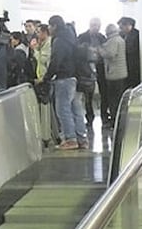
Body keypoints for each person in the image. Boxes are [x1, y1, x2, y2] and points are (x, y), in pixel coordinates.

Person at [41, 15, 87, 150]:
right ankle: (81, 139)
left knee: (63, 109)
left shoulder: (59, 40)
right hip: (74, 77)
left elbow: (56, 61)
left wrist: (47, 77)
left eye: (50, 25)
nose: (49, 28)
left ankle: (70, 139)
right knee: (76, 109)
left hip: (63, 78)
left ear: (54, 26)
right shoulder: (71, 37)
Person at [77, 18, 106, 126]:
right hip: (86, 69)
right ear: (89, 25)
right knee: (88, 95)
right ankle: (89, 117)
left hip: (100, 68)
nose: (96, 27)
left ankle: (104, 115)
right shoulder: (82, 37)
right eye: (93, 25)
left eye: (98, 25)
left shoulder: (102, 37)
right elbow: (78, 53)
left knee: (103, 92)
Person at [99, 23, 127, 128]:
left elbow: (110, 54)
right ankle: (119, 119)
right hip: (121, 73)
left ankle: (115, 120)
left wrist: (100, 51)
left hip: (114, 74)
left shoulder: (113, 41)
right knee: (119, 98)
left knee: (113, 99)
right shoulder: (120, 39)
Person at [118, 16, 141, 90]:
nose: (120, 30)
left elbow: (132, 49)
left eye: (122, 27)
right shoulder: (122, 35)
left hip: (134, 66)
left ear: (128, 25)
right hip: (125, 66)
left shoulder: (137, 35)